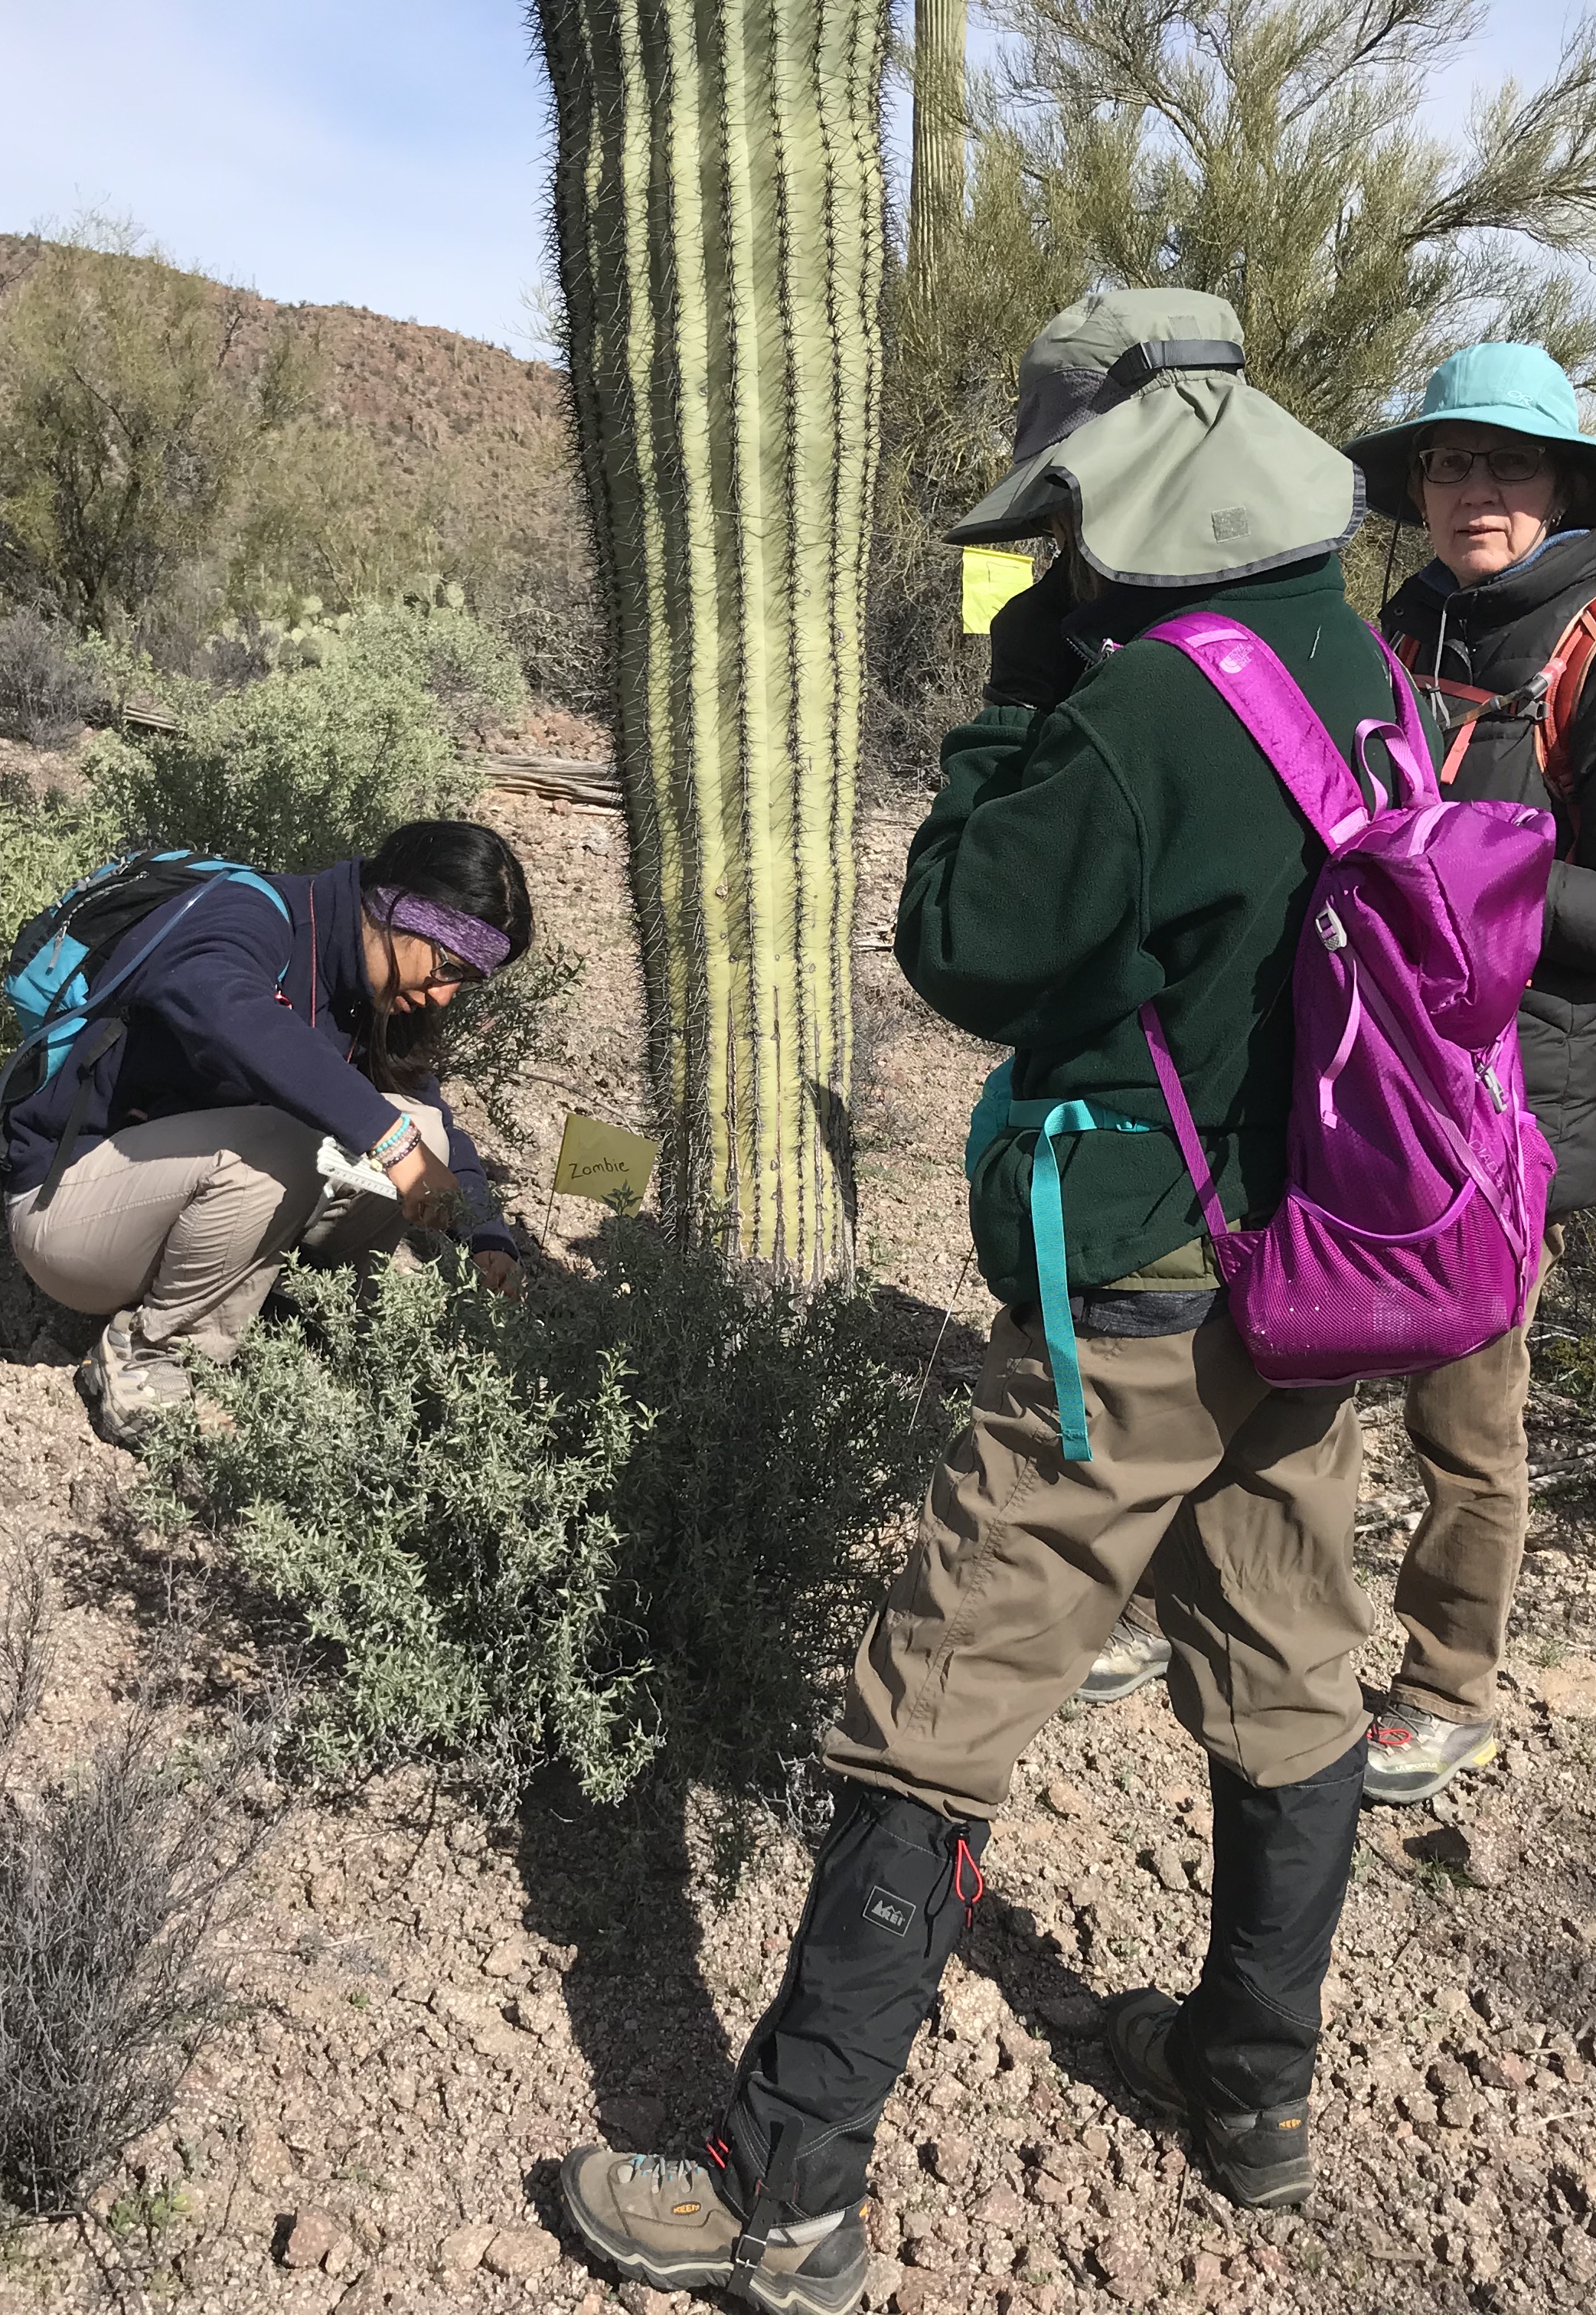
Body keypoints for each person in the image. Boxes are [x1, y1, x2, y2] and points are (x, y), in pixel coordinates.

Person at [563, 289, 1388, 2315]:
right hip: (1318, 1262)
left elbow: (963, 944)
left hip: (1139, 1292)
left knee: (933, 1698)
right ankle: (1251, 2089)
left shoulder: (1140, 706)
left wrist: (1016, 696)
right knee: (1290, 1660)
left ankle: (784, 2188)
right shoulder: (1345, 649)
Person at [1337, 342, 1596, 1804]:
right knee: (1291, 1343)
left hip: (1504, 1107)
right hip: (1373, 1066)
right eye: (1447, 464)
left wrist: (1460, 862)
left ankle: (1443, 1685)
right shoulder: (1408, 618)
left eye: (1505, 465)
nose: (1473, 491)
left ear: (1559, 485)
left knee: (1461, 1408)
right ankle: (1250, 1620)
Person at [0, 818, 533, 1444]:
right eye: (447, 966)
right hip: (70, 1214)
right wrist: (390, 1144)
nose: (444, 996)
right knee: (300, 1139)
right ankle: (152, 1351)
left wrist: (486, 1231)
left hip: (185, 1214)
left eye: (467, 980)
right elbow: (226, 1010)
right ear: (396, 909)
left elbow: (425, 1116)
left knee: (424, 1132)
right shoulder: (250, 915)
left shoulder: (374, 996)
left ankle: (322, 1305)